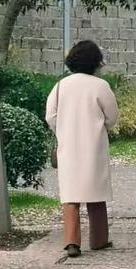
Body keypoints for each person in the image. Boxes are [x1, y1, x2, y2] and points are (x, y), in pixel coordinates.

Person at [46, 40, 118, 258]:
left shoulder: (60, 85)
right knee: (96, 193)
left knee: (71, 195)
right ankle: (99, 239)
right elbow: (112, 116)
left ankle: (71, 241)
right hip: (94, 145)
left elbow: (50, 115)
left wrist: (63, 128)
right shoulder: (100, 86)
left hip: (69, 146)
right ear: (95, 62)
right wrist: (100, 126)